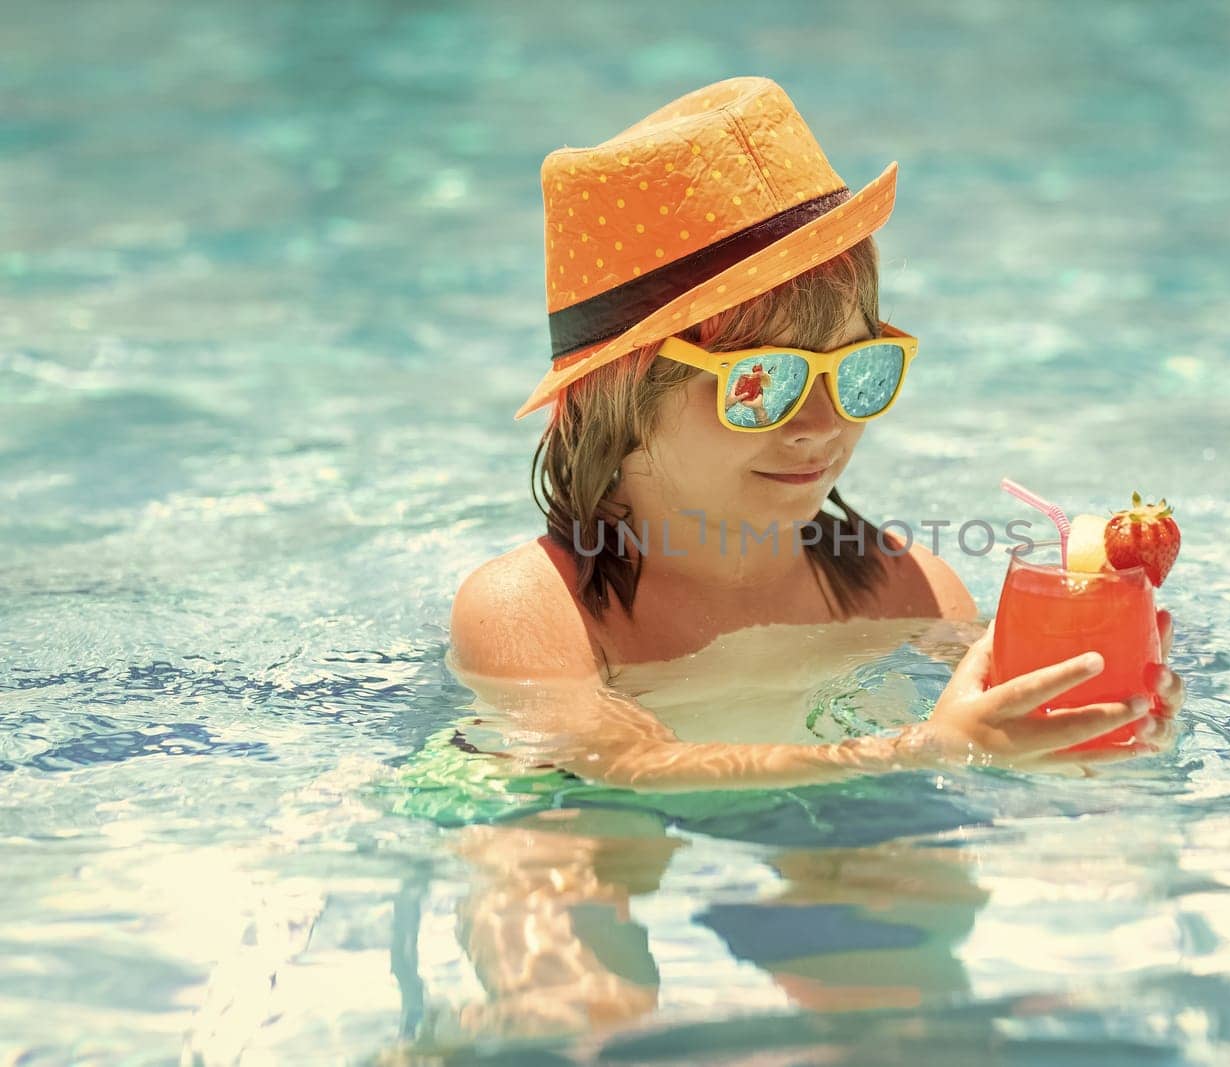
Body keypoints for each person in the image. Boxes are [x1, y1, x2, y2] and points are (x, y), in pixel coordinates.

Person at [448, 76, 1185, 793]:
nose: (824, 424)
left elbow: (992, 743)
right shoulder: (539, 609)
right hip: (574, 806)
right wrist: (919, 748)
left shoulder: (911, 595)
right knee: (560, 866)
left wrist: (1085, 718)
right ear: (618, 393)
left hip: (828, 836)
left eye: (858, 372)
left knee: (920, 883)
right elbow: (624, 767)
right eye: (762, 382)